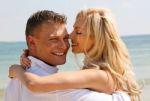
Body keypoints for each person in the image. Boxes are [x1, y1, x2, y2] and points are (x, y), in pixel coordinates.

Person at [4, 9, 127, 101]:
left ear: (98, 38)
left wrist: (17, 69)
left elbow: (35, 84)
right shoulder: (39, 80)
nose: (66, 43)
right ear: (31, 42)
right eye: (54, 39)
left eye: (77, 32)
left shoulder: (24, 78)